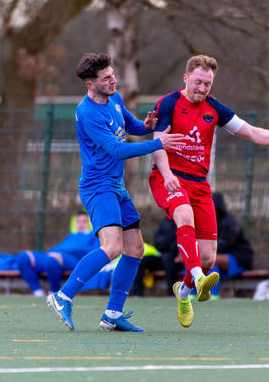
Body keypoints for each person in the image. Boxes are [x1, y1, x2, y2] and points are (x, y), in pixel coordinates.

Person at [149, 54, 269, 327]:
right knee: (183, 215)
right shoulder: (169, 103)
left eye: (207, 84)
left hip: (199, 184)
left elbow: (252, 132)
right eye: (198, 82)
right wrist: (168, 174)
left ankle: (183, 292)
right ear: (186, 78)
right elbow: (157, 143)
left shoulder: (215, 109)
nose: (202, 88)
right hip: (168, 177)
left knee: (209, 258)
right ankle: (198, 279)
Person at [47, 53, 186, 332]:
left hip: (116, 186)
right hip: (98, 188)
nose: (113, 80)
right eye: (106, 78)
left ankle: (112, 314)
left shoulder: (113, 97)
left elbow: (130, 125)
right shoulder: (88, 113)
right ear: (90, 84)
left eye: (112, 74)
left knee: (135, 248)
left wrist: (146, 127)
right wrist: (158, 144)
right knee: (112, 248)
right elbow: (117, 150)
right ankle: (62, 296)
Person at [16, 212, 99, 297]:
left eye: (84, 221)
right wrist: (55, 251)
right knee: (23, 257)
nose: (81, 224)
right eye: (78, 221)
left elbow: (93, 252)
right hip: (53, 255)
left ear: (90, 223)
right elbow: (57, 249)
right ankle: (38, 293)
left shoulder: (93, 236)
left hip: (75, 260)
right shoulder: (69, 237)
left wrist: (64, 250)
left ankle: (54, 293)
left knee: (52, 259)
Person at [192, 192, 254, 299]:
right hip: (215, 256)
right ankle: (191, 295)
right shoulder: (203, 222)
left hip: (239, 258)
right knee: (193, 261)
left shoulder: (229, 222)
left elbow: (224, 245)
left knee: (210, 260)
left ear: (218, 208)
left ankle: (213, 297)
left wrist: (201, 252)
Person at [131, 217, 181, 296]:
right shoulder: (165, 222)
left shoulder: (185, 221)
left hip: (179, 259)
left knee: (167, 258)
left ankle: (172, 294)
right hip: (163, 256)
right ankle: (137, 294)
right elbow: (158, 242)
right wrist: (171, 241)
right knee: (141, 262)